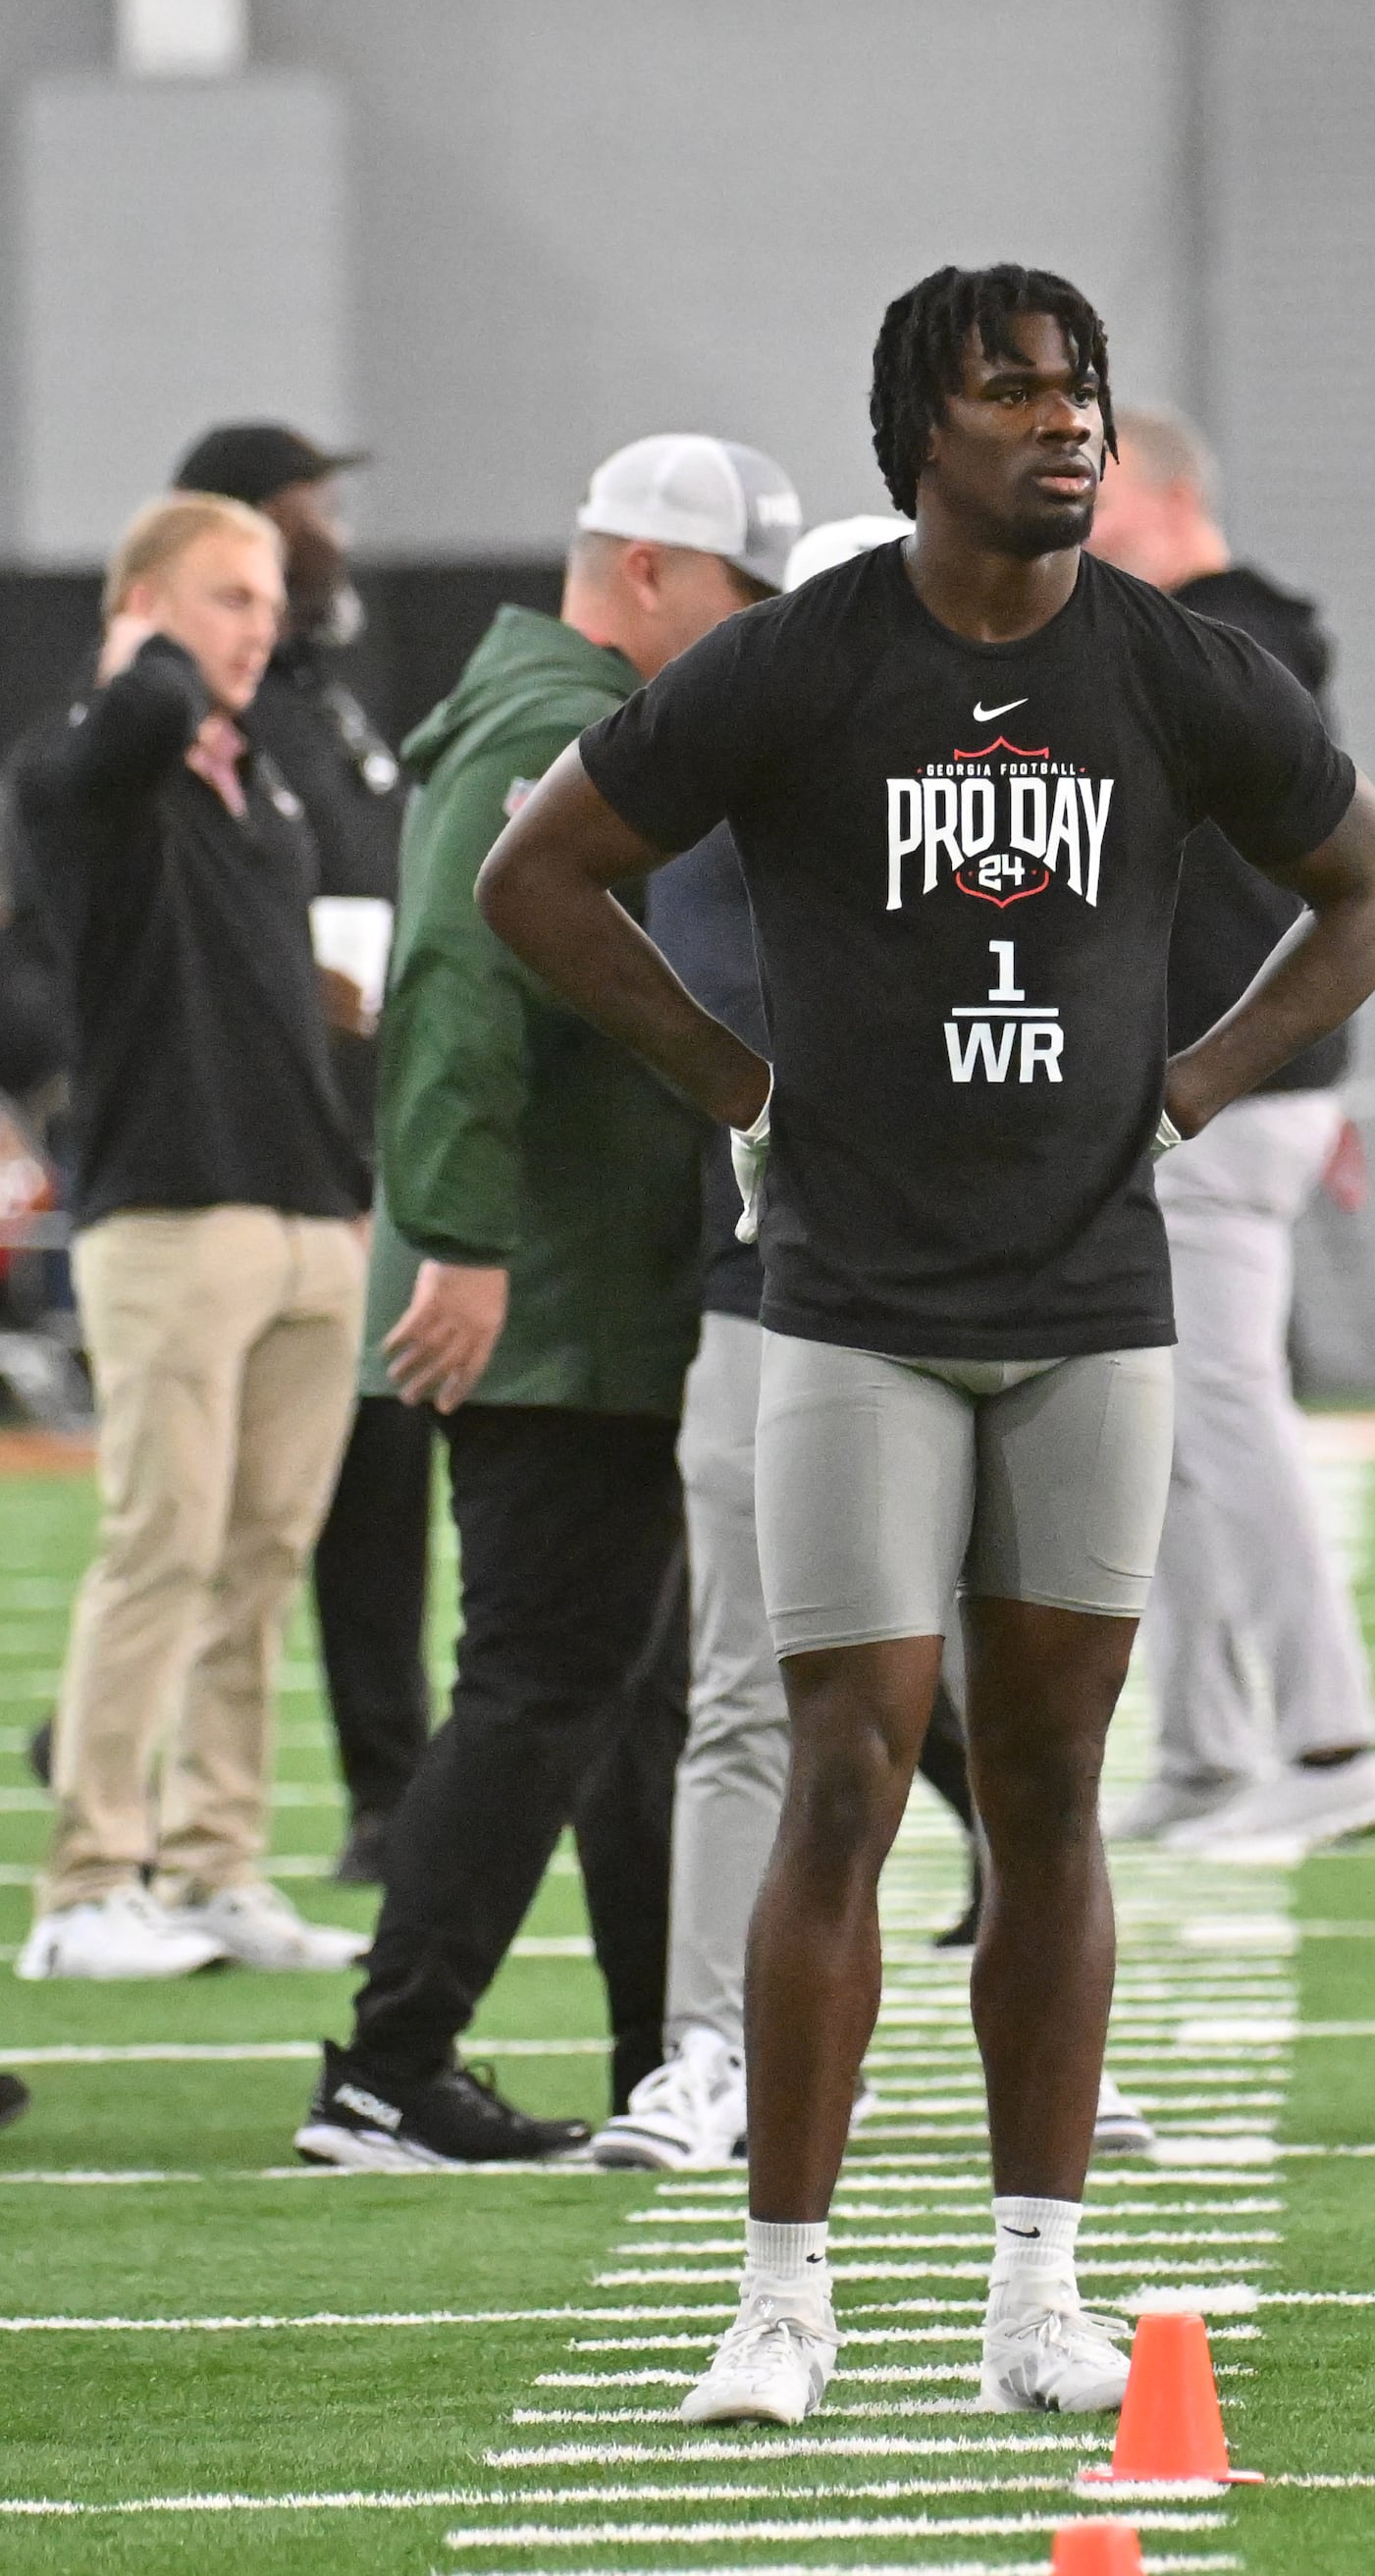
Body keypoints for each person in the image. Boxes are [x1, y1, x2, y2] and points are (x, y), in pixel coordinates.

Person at [480, 263, 1375, 2427]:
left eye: (1077, 388)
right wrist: (735, 1080)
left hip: (1090, 1294)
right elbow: (543, 876)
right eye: (1012, 393)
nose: (1064, 424)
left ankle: (1036, 2290)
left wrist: (1198, 1078)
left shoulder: (1174, 660)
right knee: (840, 1770)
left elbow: (1373, 891)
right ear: (922, 434)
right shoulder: (805, 658)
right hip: (855, 1298)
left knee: (1054, 1794)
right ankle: (783, 2294)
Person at [598, 512, 1161, 2178]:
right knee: (753, 1693)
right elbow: (641, 928)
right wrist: (765, 1096)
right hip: (781, 1287)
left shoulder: (1036, 756)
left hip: (1023, 1289)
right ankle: (706, 2045)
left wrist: (1150, 1083)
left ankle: (1050, 2035)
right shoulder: (759, 756)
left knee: (1025, 1705)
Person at [293, 435, 800, 2166]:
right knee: (546, 1676)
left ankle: (677, 2048)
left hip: (587, 1291)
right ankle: (390, 2057)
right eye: (738, 601)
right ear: (648, 573)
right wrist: (460, 1235)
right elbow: (453, 988)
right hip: (549, 1300)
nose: (750, 642)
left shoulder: (564, 711)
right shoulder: (543, 729)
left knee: (627, 1684)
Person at [12, 493, 369, 1982]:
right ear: (147, 604)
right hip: (169, 1213)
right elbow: (144, 700)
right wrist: (155, 641)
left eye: (272, 597)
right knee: (161, 1546)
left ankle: (216, 1863)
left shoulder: (255, 784)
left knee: (263, 1556)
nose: (262, 622)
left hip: (302, 1210)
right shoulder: (90, 759)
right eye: (231, 594)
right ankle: (87, 1884)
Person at [1083, 404, 1375, 1855]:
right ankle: (1208, 1745)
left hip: (1223, 1088)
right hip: (1223, 1082)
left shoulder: (1217, 640)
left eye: (1081, 501)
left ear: (1147, 496)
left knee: (1221, 1412)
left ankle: (1333, 1739)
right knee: (1168, 1430)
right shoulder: (1228, 639)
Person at [171, 423, 432, 1890]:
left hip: (363, 1136)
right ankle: (148, 1778)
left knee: (354, 1481)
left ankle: (387, 1786)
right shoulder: (176, 727)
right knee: (214, 1505)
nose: (330, 535)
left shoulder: (324, 702)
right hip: (247, 1154)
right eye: (308, 510)